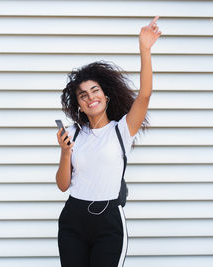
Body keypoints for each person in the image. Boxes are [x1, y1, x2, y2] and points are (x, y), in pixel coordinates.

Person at [55, 16, 161, 267]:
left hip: (108, 223)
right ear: (79, 105)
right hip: (73, 221)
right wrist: (65, 153)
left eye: (95, 91)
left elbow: (144, 95)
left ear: (105, 96)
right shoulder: (74, 132)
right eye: (83, 95)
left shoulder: (121, 130)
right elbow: (62, 185)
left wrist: (144, 49)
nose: (90, 98)